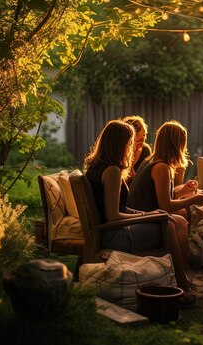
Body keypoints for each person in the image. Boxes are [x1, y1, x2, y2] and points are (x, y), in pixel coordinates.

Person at [83, 120, 196, 304]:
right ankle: (181, 286)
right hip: (113, 234)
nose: (132, 148)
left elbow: (120, 208)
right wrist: (151, 216)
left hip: (109, 230)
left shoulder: (97, 166)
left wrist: (152, 214)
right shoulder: (112, 171)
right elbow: (113, 216)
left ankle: (179, 280)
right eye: (129, 144)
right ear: (119, 144)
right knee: (167, 226)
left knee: (166, 219)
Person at [126, 120, 203, 292]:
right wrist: (194, 200)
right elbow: (165, 204)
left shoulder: (153, 160)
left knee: (181, 214)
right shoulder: (161, 166)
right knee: (179, 220)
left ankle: (182, 275)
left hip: (146, 212)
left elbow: (162, 197)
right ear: (176, 143)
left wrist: (184, 190)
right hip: (140, 219)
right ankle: (182, 278)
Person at [122, 115, 152, 184]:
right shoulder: (120, 150)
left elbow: (146, 178)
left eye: (144, 135)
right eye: (137, 140)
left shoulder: (145, 150)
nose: (144, 138)